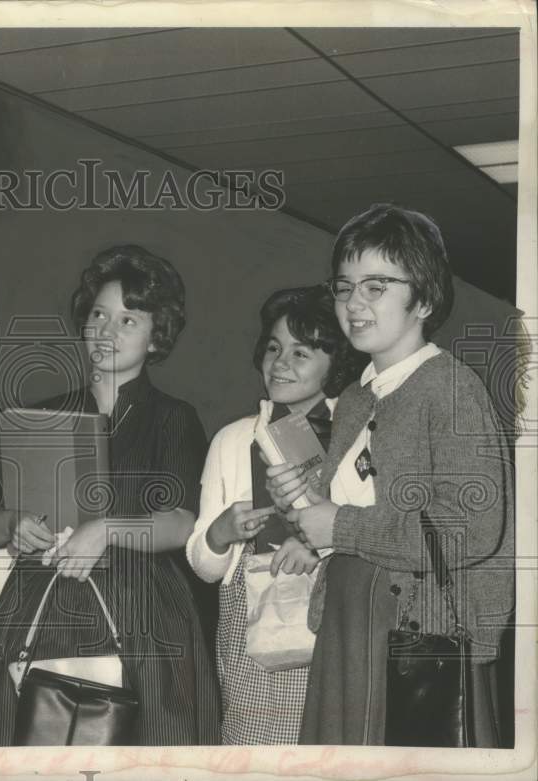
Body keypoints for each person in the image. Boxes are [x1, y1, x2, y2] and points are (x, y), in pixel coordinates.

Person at [267, 204, 515, 745]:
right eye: (344, 286)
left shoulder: (450, 388)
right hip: (350, 617)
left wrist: (342, 528)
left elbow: (471, 528)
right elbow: (357, 509)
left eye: (375, 287)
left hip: (416, 634)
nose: (353, 303)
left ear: (423, 298)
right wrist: (307, 508)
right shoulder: (356, 400)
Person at [0, 245, 221, 745]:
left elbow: (179, 523)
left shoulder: (173, 418)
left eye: (129, 320)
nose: (107, 331)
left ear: (158, 337)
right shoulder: (41, 416)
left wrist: (106, 530)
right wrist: (13, 522)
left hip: (143, 611)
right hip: (42, 603)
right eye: (99, 315)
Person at [185, 285, 365, 744]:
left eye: (301, 352)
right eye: (273, 347)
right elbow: (205, 568)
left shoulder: (360, 439)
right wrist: (220, 534)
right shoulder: (231, 439)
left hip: (334, 618)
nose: (280, 362)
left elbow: (376, 532)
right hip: (251, 625)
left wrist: (317, 545)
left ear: (336, 362)